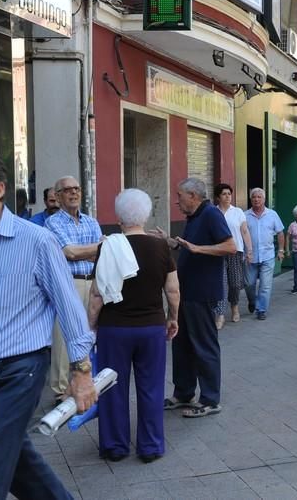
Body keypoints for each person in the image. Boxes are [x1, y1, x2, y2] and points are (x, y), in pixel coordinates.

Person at [0, 146, 96, 498]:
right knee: (17, 464)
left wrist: (81, 372)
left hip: (18, 372)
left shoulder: (37, 241)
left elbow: (70, 308)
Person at [87, 189, 180, 463]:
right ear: (147, 215)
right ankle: (150, 446)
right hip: (151, 328)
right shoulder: (161, 246)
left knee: (112, 387)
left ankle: (115, 446)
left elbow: (96, 294)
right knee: (151, 387)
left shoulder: (108, 246)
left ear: (118, 217)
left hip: (114, 329)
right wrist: (173, 317)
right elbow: (173, 290)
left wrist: (91, 327)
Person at [153, 178, 235, 418]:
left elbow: (230, 246)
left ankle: (210, 399)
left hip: (203, 293)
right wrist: (170, 242)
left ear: (193, 196)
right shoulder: (194, 217)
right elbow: (189, 246)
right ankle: (183, 393)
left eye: (180, 196)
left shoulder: (211, 214)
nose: (176, 201)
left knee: (204, 346)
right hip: (186, 292)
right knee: (182, 345)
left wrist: (199, 249)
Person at [45, 175, 103, 403]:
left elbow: (99, 253)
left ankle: (85, 381)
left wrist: (88, 250)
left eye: (76, 189)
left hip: (94, 281)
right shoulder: (53, 223)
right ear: (58, 197)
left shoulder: (91, 221)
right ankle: (60, 390)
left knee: (91, 333)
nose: (74, 193)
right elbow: (69, 252)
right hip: (69, 282)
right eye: (67, 190)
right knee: (62, 337)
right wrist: (97, 247)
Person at [213, 183, 253, 327]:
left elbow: (244, 231)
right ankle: (221, 315)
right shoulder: (213, 212)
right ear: (218, 197)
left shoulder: (238, 212)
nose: (228, 196)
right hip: (218, 252)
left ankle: (234, 307)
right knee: (221, 284)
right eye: (224, 194)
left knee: (235, 284)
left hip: (236, 252)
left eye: (229, 194)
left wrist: (249, 250)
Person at [244, 188, 285, 320]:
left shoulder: (272, 214)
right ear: (251, 199)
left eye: (259, 197)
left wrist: (281, 250)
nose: (256, 199)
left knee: (265, 285)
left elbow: (280, 233)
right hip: (250, 257)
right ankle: (252, 301)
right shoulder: (244, 215)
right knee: (249, 284)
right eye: (254, 197)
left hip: (267, 256)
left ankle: (261, 310)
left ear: (264, 199)